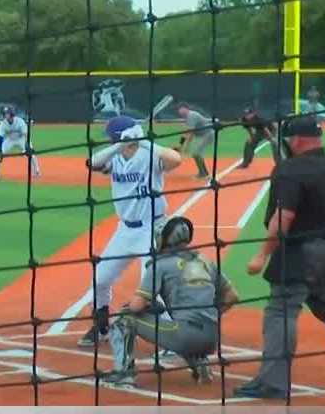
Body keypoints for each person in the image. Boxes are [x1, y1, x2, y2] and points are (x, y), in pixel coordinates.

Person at [234, 115, 325, 399]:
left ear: (296, 140)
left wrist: (260, 255)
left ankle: (273, 382)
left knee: (280, 312)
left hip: (297, 253)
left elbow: (283, 218)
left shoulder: (290, 170)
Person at [73, 116, 183, 347]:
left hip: (152, 229)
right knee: (100, 278)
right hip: (124, 231)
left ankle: (173, 337)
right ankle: (101, 326)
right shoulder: (115, 157)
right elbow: (91, 163)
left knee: (152, 284)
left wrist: (142, 141)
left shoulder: (150, 155)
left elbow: (176, 159)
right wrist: (118, 145)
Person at [103, 216, 240, 388]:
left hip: (185, 335)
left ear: (163, 239)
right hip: (212, 337)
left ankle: (124, 374)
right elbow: (232, 296)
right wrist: (210, 313)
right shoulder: (205, 261)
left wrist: (146, 306)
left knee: (124, 318)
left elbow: (136, 305)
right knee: (175, 323)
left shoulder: (160, 265)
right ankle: (198, 361)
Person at [0, 107, 41, 179]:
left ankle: (36, 171)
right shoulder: (3, 124)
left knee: (31, 153)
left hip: (21, 139)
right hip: (10, 140)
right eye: (5, 114)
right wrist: (0, 149)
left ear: (12, 114)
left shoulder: (20, 121)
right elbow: (0, 138)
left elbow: (26, 134)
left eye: (7, 113)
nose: (6, 115)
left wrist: (27, 145)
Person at [176, 103, 214, 179]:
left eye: (181, 109)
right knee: (197, 154)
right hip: (204, 135)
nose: (179, 111)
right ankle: (204, 173)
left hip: (208, 135)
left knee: (196, 154)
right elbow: (187, 132)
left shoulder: (191, 116)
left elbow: (190, 132)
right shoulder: (187, 117)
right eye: (178, 110)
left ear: (186, 108)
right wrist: (181, 144)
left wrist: (186, 146)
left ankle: (203, 174)